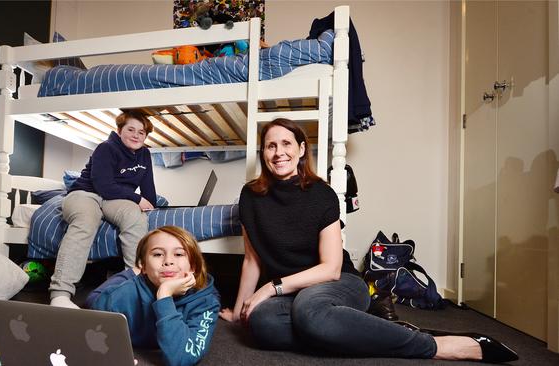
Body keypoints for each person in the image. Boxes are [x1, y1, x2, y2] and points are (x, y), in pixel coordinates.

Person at [220, 118, 518, 363]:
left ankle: (433, 345)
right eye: (270, 146)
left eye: (286, 144)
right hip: (292, 294)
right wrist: (237, 310)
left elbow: (331, 269)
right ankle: (372, 329)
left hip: (340, 284)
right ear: (263, 153)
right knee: (261, 324)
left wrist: (271, 288)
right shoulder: (251, 197)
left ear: (301, 150)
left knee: (308, 312)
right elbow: (252, 259)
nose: (278, 152)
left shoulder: (321, 195)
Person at [49, 109, 157, 309]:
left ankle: (133, 288)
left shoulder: (145, 154)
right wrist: (135, 197)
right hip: (86, 193)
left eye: (141, 132)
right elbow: (103, 185)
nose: (136, 135)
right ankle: (60, 295)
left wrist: (149, 203)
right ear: (119, 130)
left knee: (136, 216)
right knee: (85, 221)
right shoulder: (106, 148)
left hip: (114, 199)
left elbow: (148, 190)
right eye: (131, 129)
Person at [87, 226, 220, 366]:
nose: (168, 261)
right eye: (157, 254)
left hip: (150, 277)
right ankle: (132, 272)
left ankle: (137, 272)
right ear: (143, 266)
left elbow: (182, 358)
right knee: (91, 299)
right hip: (128, 283)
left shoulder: (207, 302)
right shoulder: (124, 293)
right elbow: (88, 323)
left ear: (193, 266)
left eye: (179, 254)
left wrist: (164, 296)